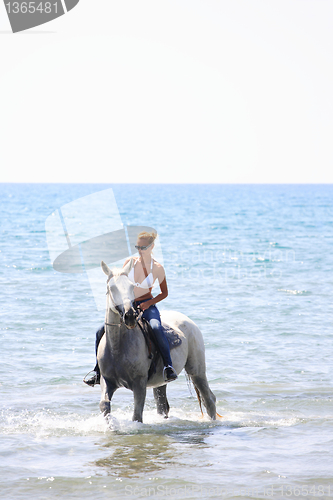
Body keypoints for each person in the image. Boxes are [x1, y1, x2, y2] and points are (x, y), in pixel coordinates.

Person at [84, 231, 177, 386]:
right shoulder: (129, 263)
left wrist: (148, 303)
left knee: (155, 327)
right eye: (137, 247)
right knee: (100, 330)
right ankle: (97, 371)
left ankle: (168, 366)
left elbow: (164, 293)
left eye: (143, 247)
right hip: (128, 306)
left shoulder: (158, 268)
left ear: (152, 246)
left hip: (147, 305)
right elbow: (120, 284)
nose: (140, 250)